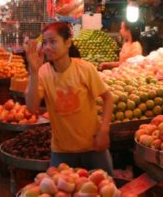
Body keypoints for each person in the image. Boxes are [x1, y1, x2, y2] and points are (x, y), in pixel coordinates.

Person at [25, 22, 114, 175]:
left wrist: (104, 131)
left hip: (93, 146)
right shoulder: (43, 73)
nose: (47, 47)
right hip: (61, 151)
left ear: (68, 43)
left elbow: (108, 98)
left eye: (53, 41)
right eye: (45, 42)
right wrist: (33, 71)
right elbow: (32, 108)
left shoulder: (85, 69)